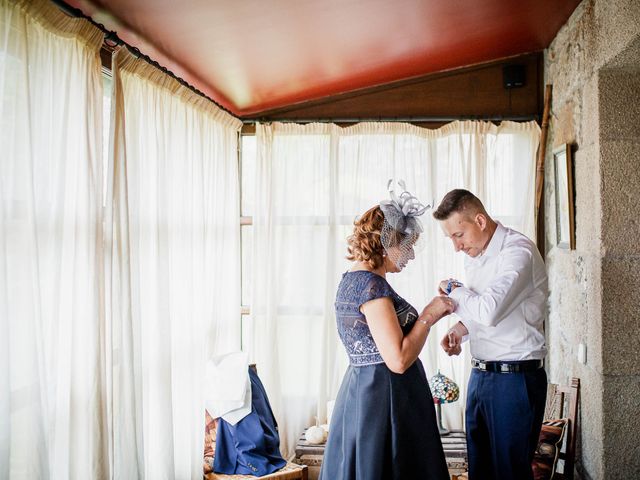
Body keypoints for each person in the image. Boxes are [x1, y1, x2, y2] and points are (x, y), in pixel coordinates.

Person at [319, 182, 452, 480]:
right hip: (387, 401)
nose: (411, 256)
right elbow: (398, 359)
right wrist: (429, 315)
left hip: (362, 392)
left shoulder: (350, 280)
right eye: (407, 246)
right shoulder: (371, 286)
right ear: (387, 242)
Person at [433, 189, 548, 480]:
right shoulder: (475, 256)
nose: (456, 247)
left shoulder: (517, 253)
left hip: (515, 380)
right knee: (481, 472)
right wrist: (461, 329)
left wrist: (453, 288)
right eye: (451, 239)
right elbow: (484, 314)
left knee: (510, 473)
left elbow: (489, 310)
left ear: (480, 221)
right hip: (481, 376)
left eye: (459, 235)